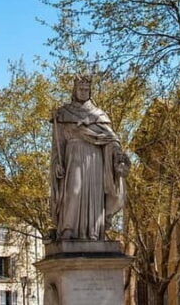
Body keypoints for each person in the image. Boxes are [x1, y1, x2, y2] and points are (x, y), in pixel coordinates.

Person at [49, 76, 129, 240]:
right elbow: (58, 146)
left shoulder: (99, 115)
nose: (83, 92)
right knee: (74, 191)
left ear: (90, 91)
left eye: (86, 89)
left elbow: (112, 140)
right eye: (81, 89)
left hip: (95, 159)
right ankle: (68, 229)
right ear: (75, 90)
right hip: (73, 157)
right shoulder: (63, 114)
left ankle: (94, 231)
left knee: (95, 195)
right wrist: (57, 163)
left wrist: (118, 157)